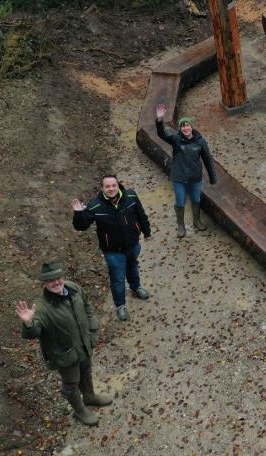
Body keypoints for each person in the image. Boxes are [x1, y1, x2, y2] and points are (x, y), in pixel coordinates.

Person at [15, 261, 111, 426]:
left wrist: (92, 332)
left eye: (58, 278)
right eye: (51, 280)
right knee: (71, 383)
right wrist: (28, 323)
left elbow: (87, 307)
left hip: (84, 346)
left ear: (63, 277)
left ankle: (89, 396)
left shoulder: (74, 288)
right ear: (44, 283)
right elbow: (33, 333)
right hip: (64, 356)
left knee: (86, 372)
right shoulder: (42, 307)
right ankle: (80, 411)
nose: (56, 282)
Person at [72, 174, 151, 322]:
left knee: (133, 267)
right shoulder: (95, 205)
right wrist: (78, 213)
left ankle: (136, 287)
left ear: (118, 185)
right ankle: (120, 305)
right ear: (102, 188)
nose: (111, 189)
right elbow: (80, 226)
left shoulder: (131, 196)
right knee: (118, 279)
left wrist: (147, 232)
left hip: (133, 245)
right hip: (113, 252)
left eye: (113, 185)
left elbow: (141, 215)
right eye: (107, 186)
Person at [155, 103, 217, 238]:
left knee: (196, 199)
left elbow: (208, 159)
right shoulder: (176, 140)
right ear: (180, 128)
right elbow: (161, 134)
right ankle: (181, 225)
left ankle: (196, 221)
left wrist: (212, 177)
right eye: (183, 126)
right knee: (180, 201)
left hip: (195, 178)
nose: (185, 128)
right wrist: (160, 119)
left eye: (187, 125)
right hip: (179, 178)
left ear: (191, 126)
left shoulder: (200, 142)